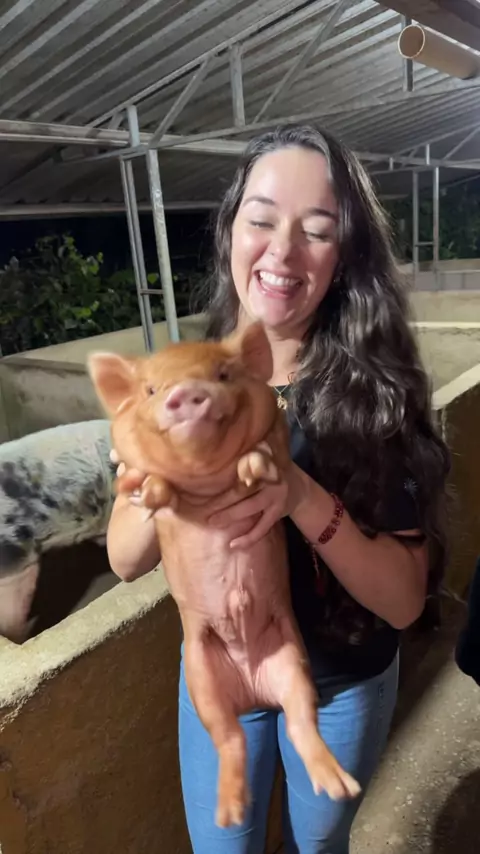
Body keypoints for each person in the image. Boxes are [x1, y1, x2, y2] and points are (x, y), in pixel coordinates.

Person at [107, 125, 450, 854]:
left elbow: (403, 601)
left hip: (338, 683)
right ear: (230, 229)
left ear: (344, 255)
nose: (282, 253)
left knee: (315, 845)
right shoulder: (188, 373)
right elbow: (125, 559)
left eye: (317, 232)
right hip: (220, 663)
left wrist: (299, 494)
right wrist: (154, 468)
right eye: (261, 220)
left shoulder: (375, 399)